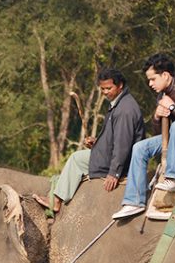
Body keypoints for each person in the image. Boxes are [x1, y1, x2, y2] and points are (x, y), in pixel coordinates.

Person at [111, 54, 175, 220]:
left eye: (153, 79)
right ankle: (134, 201)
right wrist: (157, 117)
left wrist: (173, 107)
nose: (150, 84)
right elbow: (162, 135)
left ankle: (172, 178)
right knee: (140, 147)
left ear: (165, 75)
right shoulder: (161, 95)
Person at [33, 68, 144, 217]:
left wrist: (114, 173)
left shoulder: (125, 109)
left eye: (109, 88)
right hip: (110, 155)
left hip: (120, 162)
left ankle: (57, 201)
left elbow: (123, 145)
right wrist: (97, 142)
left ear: (120, 85)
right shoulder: (119, 103)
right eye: (102, 89)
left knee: (76, 159)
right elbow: (116, 137)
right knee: (79, 156)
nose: (105, 92)